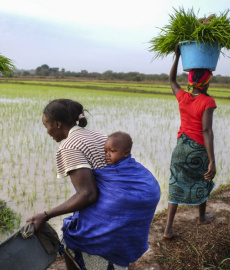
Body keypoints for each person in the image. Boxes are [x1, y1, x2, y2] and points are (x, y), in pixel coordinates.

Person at [27, 99, 160, 270]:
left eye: (47, 126)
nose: (47, 132)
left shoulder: (69, 147)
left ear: (58, 124)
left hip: (109, 211)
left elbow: (88, 194)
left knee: (73, 241)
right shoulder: (98, 135)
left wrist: (45, 215)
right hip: (123, 210)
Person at [163, 46, 217, 239]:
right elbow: (206, 130)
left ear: (191, 82)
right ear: (206, 83)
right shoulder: (207, 102)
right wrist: (212, 160)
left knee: (175, 183)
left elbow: (171, 80)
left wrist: (177, 57)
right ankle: (202, 217)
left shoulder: (183, 97)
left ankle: (168, 229)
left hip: (180, 148)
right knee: (204, 178)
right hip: (198, 149)